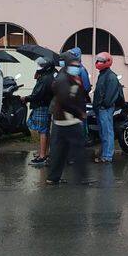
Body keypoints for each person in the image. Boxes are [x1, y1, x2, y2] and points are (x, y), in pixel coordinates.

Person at [47, 51, 93, 184]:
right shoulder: (62, 79)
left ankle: (53, 178)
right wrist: (79, 113)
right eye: (74, 65)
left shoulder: (70, 77)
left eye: (77, 65)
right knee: (78, 149)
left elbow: (77, 94)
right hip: (68, 120)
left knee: (60, 150)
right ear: (67, 65)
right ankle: (82, 177)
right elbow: (65, 101)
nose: (77, 67)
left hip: (63, 120)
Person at [23, 57, 56, 166]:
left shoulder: (46, 78)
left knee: (42, 131)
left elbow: (37, 94)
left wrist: (26, 98)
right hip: (47, 105)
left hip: (42, 105)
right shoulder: (51, 74)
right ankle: (44, 153)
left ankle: (42, 156)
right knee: (45, 131)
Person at [91, 52, 120, 163]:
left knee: (107, 132)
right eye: (98, 61)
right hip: (100, 108)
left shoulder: (111, 77)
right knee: (103, 132)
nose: (98, 63)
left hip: (105, 109)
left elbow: (110, 95)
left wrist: (103, 105)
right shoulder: (102, 74)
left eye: (101, 61)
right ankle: (104, 154)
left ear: (107, 62)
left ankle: (107, 156)